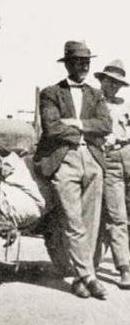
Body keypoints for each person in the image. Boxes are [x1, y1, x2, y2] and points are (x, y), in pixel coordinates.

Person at [34, 40, 112, 299]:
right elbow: (51, 128)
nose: (84, 66)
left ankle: (80, 278)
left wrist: (75, 122)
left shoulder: (95, 94)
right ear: (67, 64)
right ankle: (90, 277)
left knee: (91, 222)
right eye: (79, 61)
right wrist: (85, 127)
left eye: (87, 62)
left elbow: (106, 126)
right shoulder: (50, 93)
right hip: (64, 160)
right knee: (72, 220)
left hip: (92, 159)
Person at [94, 60, 130, 288]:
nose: (114, 87)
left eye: (118, 83)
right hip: (109, 159)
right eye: (111, 82)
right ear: (102, 80)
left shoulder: (125, 105)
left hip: (128, 154)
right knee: (117, 216)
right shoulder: (94, 103)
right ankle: (124, 268)